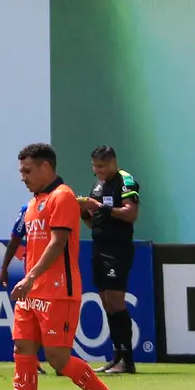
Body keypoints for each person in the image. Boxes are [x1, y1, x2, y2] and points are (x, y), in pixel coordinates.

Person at [0, 143, 127, 390]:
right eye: (21, 171)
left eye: (27, 171)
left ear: (45, 168)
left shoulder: (62, 196)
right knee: (22, 351)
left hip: (58, 291)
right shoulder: (34, 203)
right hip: (32, 291)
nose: (23, 177)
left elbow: (58, 243)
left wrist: (30, 277)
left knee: (58, 359)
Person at [79, 145, 140, 374]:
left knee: (115, 300)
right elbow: (93, 222)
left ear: (113, 162)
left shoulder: (125, 180)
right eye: (95, 166)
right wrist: (84, 212)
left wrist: (100, 207)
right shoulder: (98, 185)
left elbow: (131, 213)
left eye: (101, 166)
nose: (98, 171)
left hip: (117, 248)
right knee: (106, 301)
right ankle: (116, 357)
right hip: (99, 247)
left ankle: (127, 360)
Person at [0, 202, 49, 376]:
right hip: (32, 274)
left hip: (56, 276)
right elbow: (15, 238)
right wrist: (4, 266)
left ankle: (60, 360)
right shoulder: (27, 209)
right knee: (32, 315)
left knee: (51, 317)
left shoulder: (59, 205)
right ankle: (32, 360)